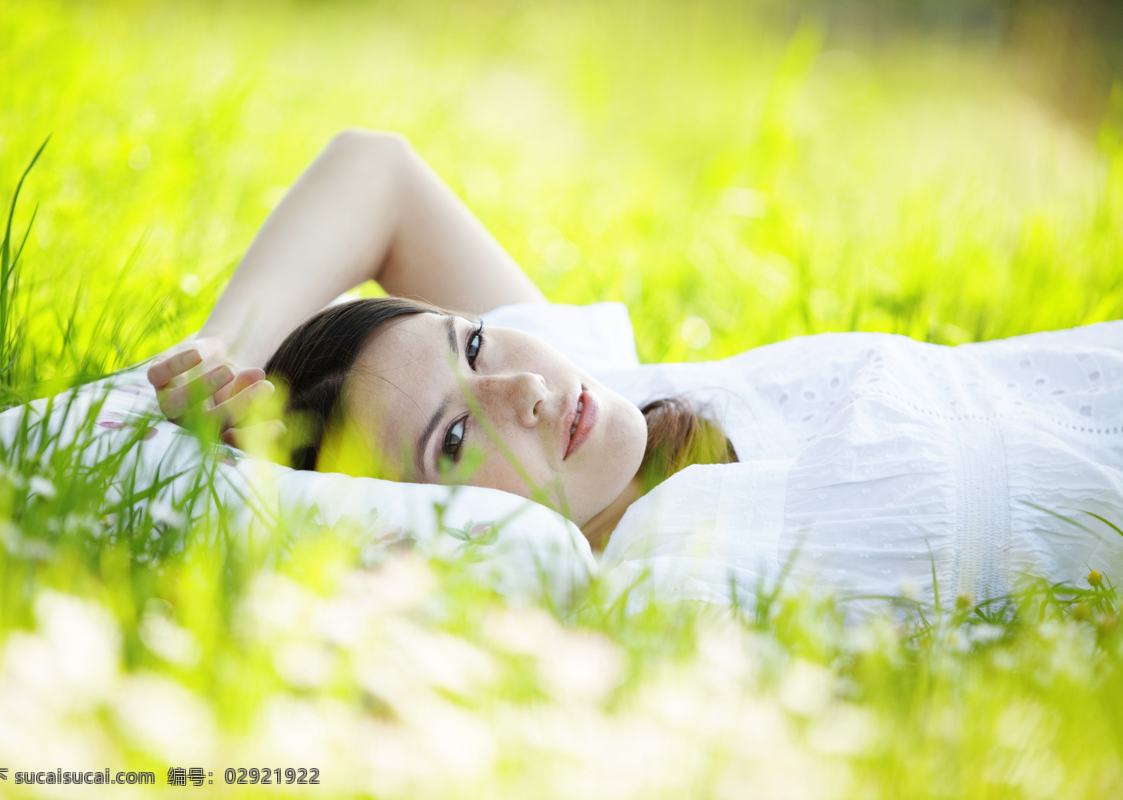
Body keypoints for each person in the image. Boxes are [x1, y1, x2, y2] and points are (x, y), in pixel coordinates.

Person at [147, 128, 1123, 615]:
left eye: (476, 344)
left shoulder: (614, 387)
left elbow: (377, 169)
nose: (520, 391)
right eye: (453, 436)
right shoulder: (626, 590)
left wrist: (225, 347)